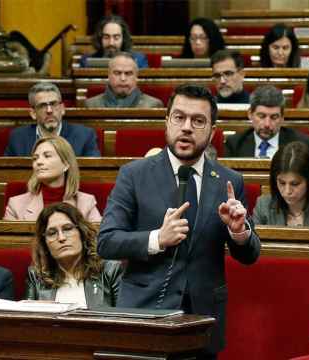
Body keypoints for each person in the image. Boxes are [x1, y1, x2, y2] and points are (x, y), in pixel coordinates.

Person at [97, 84, 260, 358]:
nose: (186, 127)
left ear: (212, 132)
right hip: (143, 317)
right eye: (179, 117)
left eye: (198, 121)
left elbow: (250, 255)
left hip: (203, 322)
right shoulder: (134, 175)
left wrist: (239, 232)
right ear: (167, 122)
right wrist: (156, 239)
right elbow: (107, 241)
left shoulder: (229, 182)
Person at [26, 202, 123, 307]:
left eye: (67, 229)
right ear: (44, 242)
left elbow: (124, 318)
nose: (61, 238)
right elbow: (26, 319)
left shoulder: (110, 270)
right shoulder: (36, 276)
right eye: (52, 233)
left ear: (82, 232)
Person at [4, 136, 102, 222]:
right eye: (35, 158)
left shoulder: (86, 203)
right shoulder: (16, 205)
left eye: (47, 156)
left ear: (66, 164)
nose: (39, 162)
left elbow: (97, 240)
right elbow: (9, 242)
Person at [253, 141, 309, 227]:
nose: (287, 191)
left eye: (295, 184)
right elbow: (253, 244)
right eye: (281, 183)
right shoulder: (263, 205)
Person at [4, 82, 100, 157]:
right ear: (33, 113)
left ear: (62, 109)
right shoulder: (18, 138)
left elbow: (92, 175)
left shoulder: (84, 136)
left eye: (53, 104)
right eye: (42, 106)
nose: (49, 110)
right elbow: (9, 175)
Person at [224, 85, 309, 158]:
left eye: (274, 117)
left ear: (282, 118)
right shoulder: (234, 144)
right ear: (250, 114)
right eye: (261, 116)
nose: (267, 124)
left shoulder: (301, 144)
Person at [84, 52, 163, 108]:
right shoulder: (91, 105)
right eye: (117, 73)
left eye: (128, 73)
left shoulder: (152, 105)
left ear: (136, 77)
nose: (123, 78)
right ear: (108, 75)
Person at [79, 15, 148, 69]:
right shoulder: (86, 61)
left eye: (116, 38)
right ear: (100, 38)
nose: (111, 43)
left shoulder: (138, 60)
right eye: (106, 37)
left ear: (123, 39)